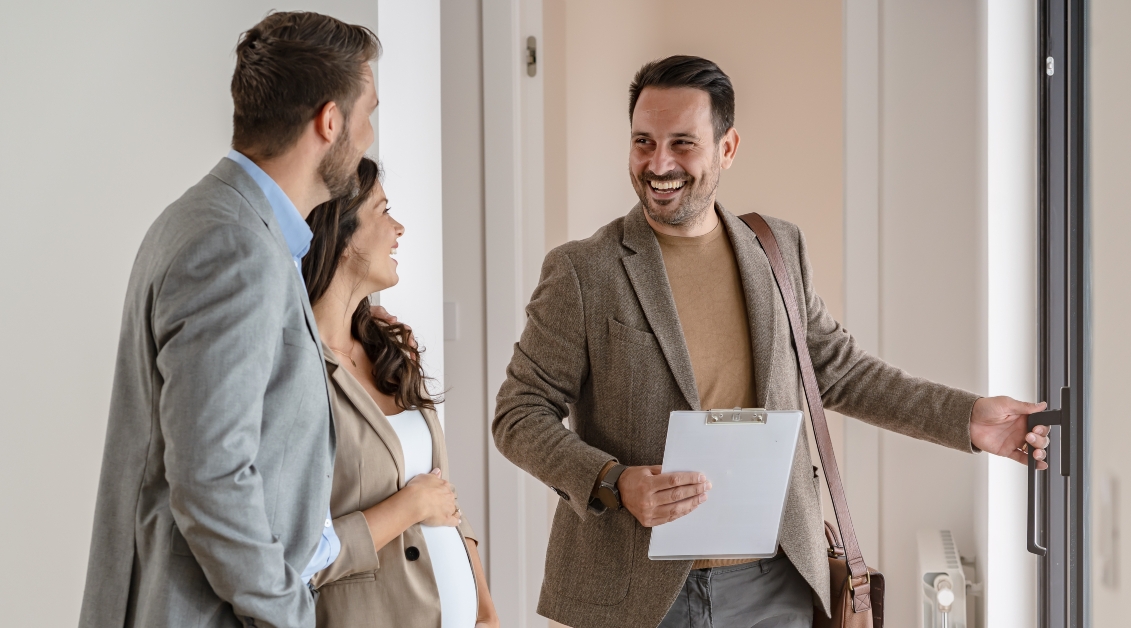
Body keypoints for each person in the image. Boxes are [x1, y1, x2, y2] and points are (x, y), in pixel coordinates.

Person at [491, 55, 1052, 628]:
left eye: (683, 143)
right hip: (634, 594)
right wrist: (614, 482)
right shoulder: (584, 271)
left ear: (727, 148)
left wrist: (968, 417)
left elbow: (839, 370)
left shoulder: (777, 251)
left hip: (776, 583)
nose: (658, 163)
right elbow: (518, 415)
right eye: (643, 142)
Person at [79, 12, 379, 628]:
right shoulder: (234, 245)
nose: (371, 135)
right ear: (330, 121)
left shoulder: (213, 222)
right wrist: (290, 613)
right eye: (368, 113)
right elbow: (211, 475)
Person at [300, 157, 500, 628]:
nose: (399, 227)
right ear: (343, 235)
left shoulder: (390, 351)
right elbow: (295, 560)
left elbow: (444, 493)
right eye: (384, 211)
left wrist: (484, 608)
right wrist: (407, 507)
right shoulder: (297, 373)